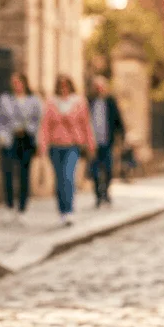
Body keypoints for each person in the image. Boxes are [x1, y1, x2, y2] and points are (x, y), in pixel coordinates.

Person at [40, 74, 94, 227]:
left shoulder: (79, 102)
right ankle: (62, 210)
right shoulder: (51, 103)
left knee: (68, 177)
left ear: (70, 86)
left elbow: (86, 124)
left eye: (66, 85)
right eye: (61, 85)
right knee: (59, 179)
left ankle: (69, 210)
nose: (64, 88)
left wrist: (90, 144)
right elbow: (45, 126)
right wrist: (43, 145)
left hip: (72, 145)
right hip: (55, 146)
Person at [0, 72, 41, 224]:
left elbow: (38, 119)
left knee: (23, 175)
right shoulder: (5, 99)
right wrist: (1, 136)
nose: (16, 85)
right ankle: (9, 206)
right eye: (13, 82)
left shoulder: (33, 100)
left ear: (24, 83)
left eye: (18, 82)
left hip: (26, 140)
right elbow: (0, 120)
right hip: (9, 140)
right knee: (8, 173)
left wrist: (30, 131)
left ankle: (22, 208)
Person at [85, 75, 125, 207]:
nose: (99, 89)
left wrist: (121, 137)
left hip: (107, 141)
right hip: (93, 143)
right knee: (95, 171)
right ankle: (98, 196)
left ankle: (106, 193)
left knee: (108, 169)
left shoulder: (110, 102)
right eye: (97, 86)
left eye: (101, 86)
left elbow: (118, 120)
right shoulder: (89, 101)